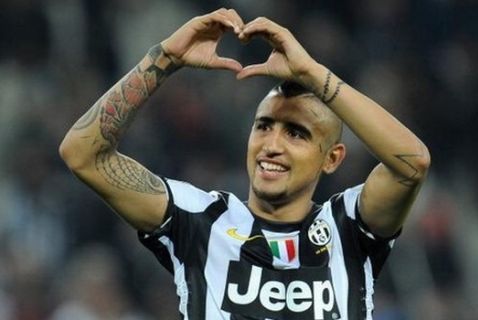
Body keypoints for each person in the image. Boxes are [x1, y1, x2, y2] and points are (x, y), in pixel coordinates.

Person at [59, 8, 430, 320]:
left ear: (332, 158)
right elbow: (83, 155)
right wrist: (165, 59)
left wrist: (313, 74)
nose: (272, 145)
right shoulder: (200, 221)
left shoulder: (347, 227)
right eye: (264, 126)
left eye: (296, 134)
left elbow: (412, 163)